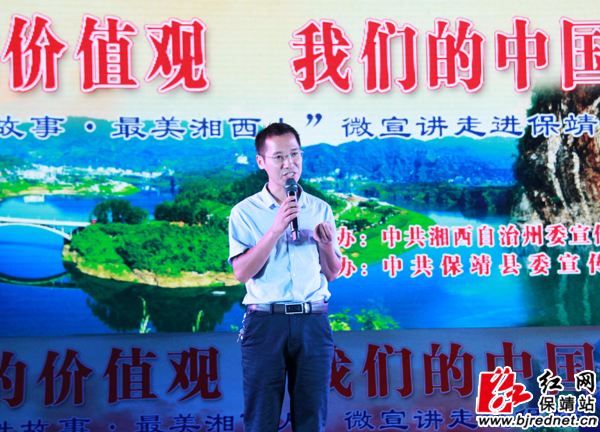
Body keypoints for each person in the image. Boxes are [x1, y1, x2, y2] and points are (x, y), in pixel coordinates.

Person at [228, 122, 342, 432]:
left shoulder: (320, 209)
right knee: (261, 420)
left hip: (313, 321)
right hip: (266, 322)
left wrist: (326, 245)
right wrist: (276, 228)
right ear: (261, 161)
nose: (289, 163)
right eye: (278, 157)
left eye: (294, 154)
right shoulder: (244, 212)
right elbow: (242, 272)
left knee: (312, 419)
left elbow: (332, 272)